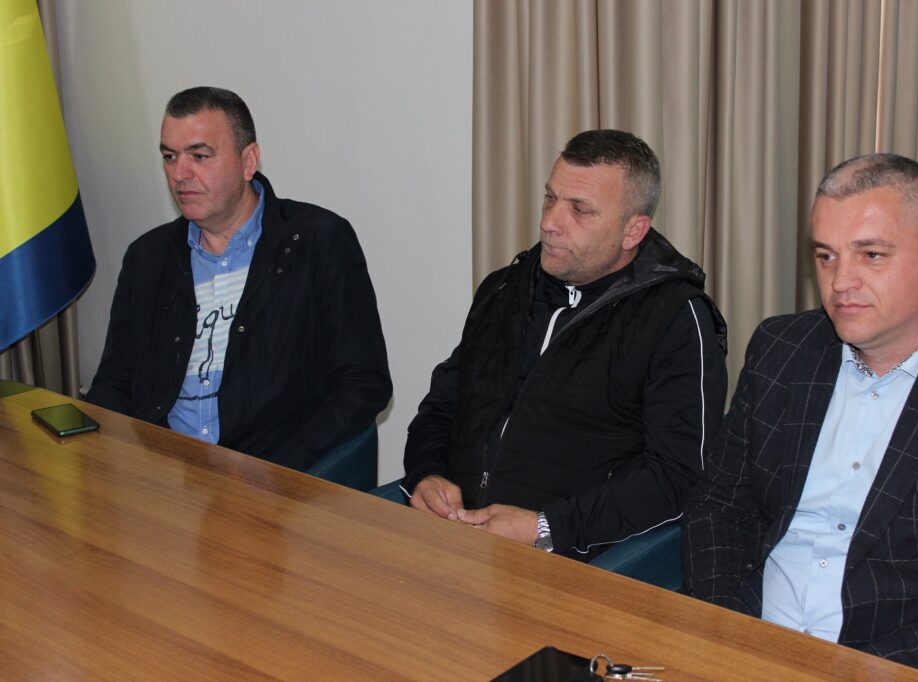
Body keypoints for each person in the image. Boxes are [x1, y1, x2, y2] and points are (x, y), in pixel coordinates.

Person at [682, 153, 918, 680]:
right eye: (826, 256)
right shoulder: (782, 348)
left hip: (890, 660)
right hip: (744, 639)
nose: (841, 281)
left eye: (871, 254)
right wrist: (726, 629)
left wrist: (861, 673)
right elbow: (720, 508)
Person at [403, 129, 728, 559]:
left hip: (570, 560)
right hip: (453, 538)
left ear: (633, 230)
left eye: (579, 209)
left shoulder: (676, 319)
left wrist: (546, 528)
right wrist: (428, 473)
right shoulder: (505, 290)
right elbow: (442, 407)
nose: (549, 223)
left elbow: (679, 477)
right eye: (550, 198)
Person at [88, 87, 391, 471]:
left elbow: (363, 383)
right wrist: (99, 459)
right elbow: (115, 383)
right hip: (164, 470)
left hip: (270, 471)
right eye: (169, 156)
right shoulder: (147, 258)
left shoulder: (318, 241)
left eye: (199, 156)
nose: (180, 174)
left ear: (248, 161)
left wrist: (279, 472)